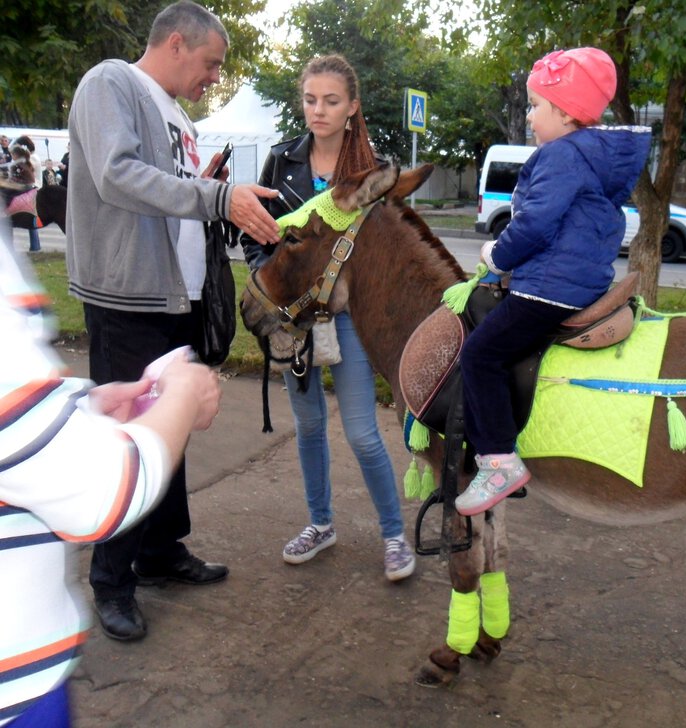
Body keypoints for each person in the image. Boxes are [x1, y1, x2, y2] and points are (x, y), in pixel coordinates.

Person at [66, 0, 281, 642]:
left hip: (173, 298)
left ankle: (160, 553)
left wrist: (204, 186)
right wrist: (215, 195)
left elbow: (165, 185)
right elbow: (116, 174)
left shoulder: (174, 112)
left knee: (172, 431)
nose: (214, 78)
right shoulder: (111, 83)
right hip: (127, 297)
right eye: (211, 64)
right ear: (178, 43)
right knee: (128, 437)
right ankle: (111, 582)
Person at [0, 221, 221, 727]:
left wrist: (84, 407)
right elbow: (99, 494)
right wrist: (186, 397)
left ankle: (155, 557)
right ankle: (114, 582)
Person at [454, 47, 652, 516]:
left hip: (547, 288)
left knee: (480, 354)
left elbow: (535, 225)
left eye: (536, 105)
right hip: (581, 282)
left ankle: (499, 461)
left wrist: (497, 258)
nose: (528, 115)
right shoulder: (593, 157)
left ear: (565, 113)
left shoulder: (560, 156)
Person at [241, 54, 415, 581]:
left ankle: (393, 535)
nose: (318, 110)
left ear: (352, 107)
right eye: (311, 99)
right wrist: (277, 287)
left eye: (331, 101)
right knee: (310, 425)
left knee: (363, 432)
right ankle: (321, 524)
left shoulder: (371, 174)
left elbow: (384, 255)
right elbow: (259, 239)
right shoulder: (280, 161)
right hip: (294, 321)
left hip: (346, 319)